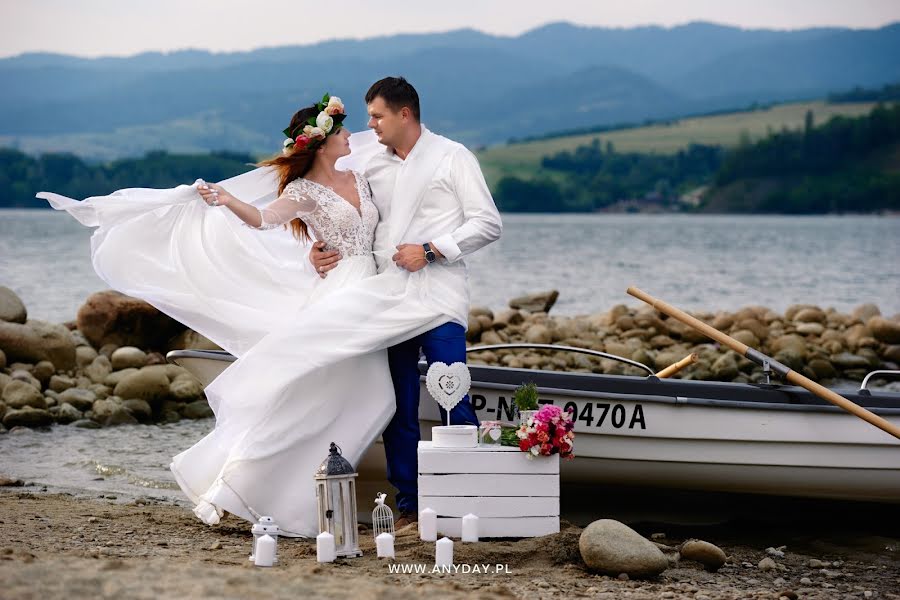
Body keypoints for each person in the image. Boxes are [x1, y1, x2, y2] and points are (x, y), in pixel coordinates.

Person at [310, 77, 502, 526]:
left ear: (405, 114)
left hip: (439, 296)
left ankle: (469, 498)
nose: (370, 125)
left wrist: (431, 249)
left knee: (452, 391)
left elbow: (487, 223)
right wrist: (318, 248)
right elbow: (343, 212)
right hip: (387, 297)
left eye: (377, 116)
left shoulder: (453, 157)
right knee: (398, 404)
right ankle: (411, 504)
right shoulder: (369, 165)